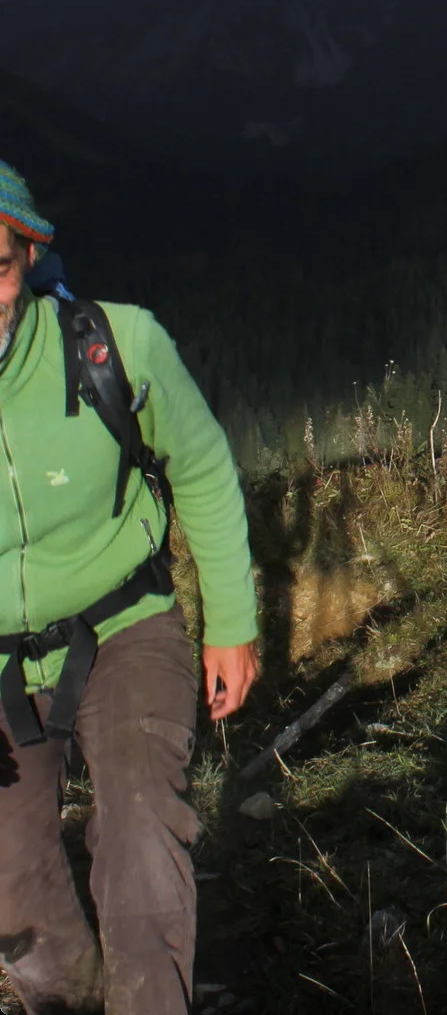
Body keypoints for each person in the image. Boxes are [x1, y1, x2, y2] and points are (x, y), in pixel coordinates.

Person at [0, 160, 260, 1014]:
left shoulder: (116, 346)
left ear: (28, 258)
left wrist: (230, 621)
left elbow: (205, 464)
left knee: (142, 829)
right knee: (11, 877)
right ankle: (71, 998)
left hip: (124, 624)